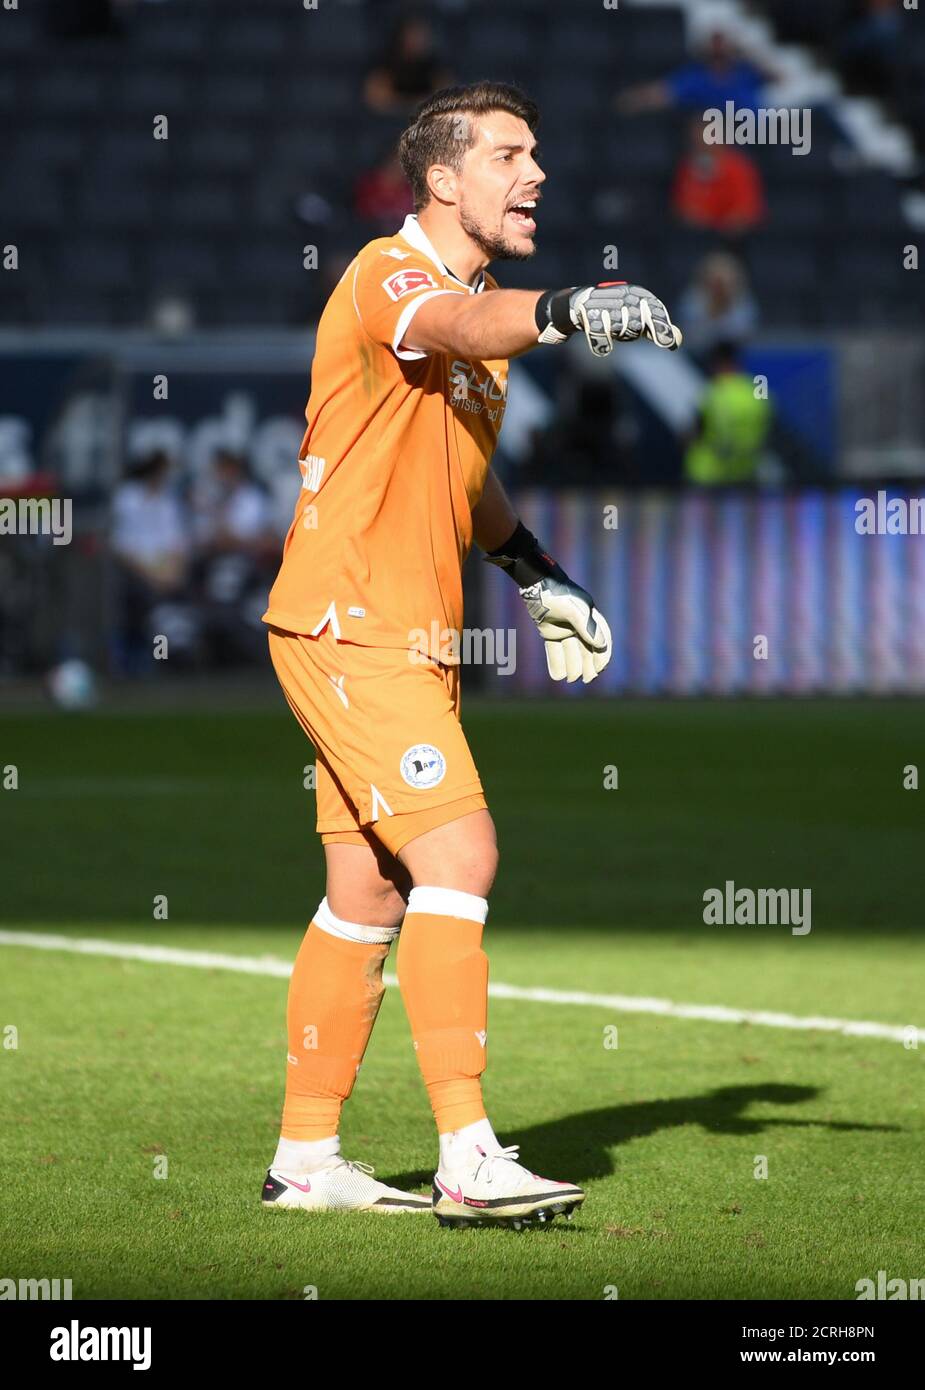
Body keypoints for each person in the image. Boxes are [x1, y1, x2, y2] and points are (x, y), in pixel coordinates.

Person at [260, 82, 681, 1227]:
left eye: (535, 152)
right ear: (442, 179)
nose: (535, 172)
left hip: (408, 632)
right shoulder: (389, 275)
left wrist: (536, 572)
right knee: (462, 855)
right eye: (510, 155)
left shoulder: (482, 305)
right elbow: (455, 326)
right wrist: (565, 312)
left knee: (368, 894)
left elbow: (465, 474)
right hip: (352, 623)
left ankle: (306, 1159)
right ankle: (468, 1154)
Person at [616, 28, 774, 116]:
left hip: (758, 134)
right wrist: (632, 100)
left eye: (723, 45)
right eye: (714, 44)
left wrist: (748, 53)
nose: (719, 50)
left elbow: (778, 77)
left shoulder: (747, 71)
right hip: (724, 141)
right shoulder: (695, 77)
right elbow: (661, 92)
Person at [684, 341, 771, 486]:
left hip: (707, 474)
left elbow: (694, 433)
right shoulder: (756, 392)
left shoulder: (713, 392)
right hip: (745, 472)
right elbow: (765, 432)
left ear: (717, 363)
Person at [672, 117, 766, 239]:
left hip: (734, 242)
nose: (702, 140)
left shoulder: (739, 167)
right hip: (695, 241)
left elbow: (748, 210)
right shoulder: (686, 169)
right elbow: (684, 210)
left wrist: (722, 226)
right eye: (698, 134)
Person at [363, 12, 454, 116]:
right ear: (401, 37)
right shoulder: (387, 63)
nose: (417, 40)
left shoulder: (435, 65)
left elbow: (447, 98)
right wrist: (410, 104)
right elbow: (375, 98)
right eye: (412, 34)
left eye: (420, 35)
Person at [677, 252, 759, 362]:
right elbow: (692, 335)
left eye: (722, 283)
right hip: (698, 356)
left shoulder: (742, 301)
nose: (718, 287)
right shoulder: (693, 300)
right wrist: (712, 313)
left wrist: (724, 307)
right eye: (714, 282)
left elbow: (744, 332)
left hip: (734, 357)